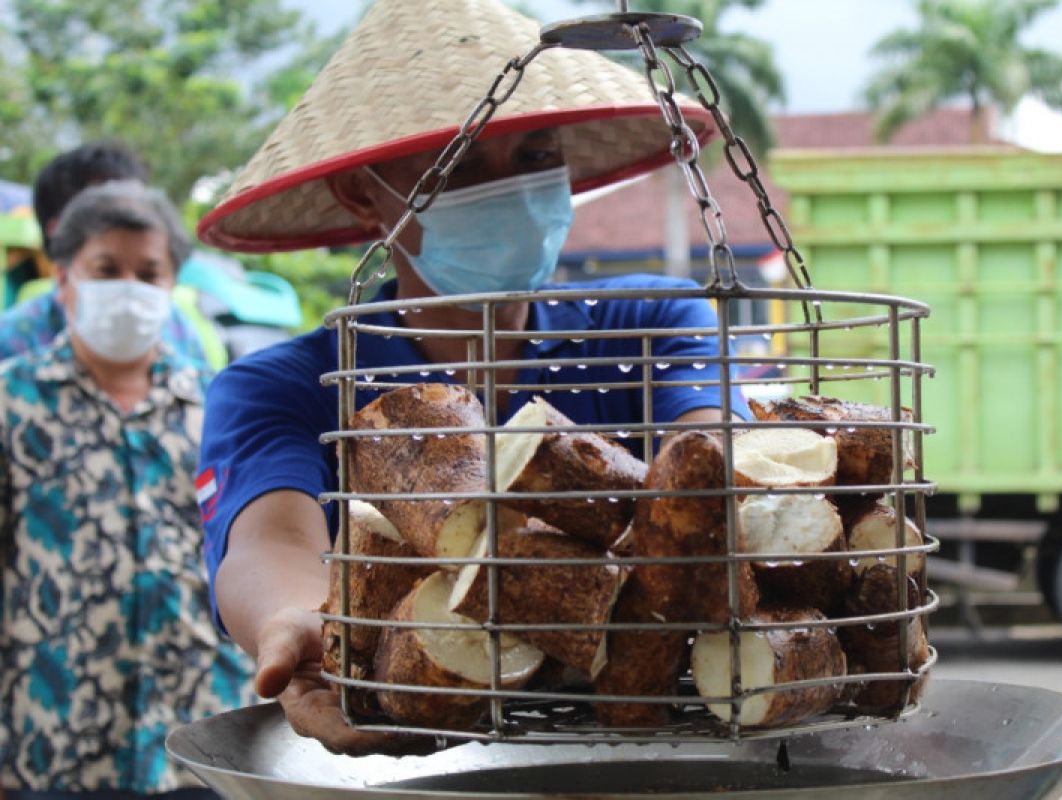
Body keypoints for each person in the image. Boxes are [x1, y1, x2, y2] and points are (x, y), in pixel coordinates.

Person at [195, 0, 745, 755]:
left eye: (532, 157)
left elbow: (712, 451)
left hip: (652, 744)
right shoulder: (290, 384)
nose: (509, 190)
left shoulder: (652, 326)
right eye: (458, 167)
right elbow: (270, 539)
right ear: (364, 194)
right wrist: (295, 620)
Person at [0, 181, 256, 798]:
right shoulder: (12, 402)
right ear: (64, 278)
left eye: (149, 273)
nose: (130, 289)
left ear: (172, 286)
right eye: (106, 269)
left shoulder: (218, 405)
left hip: (203, 736)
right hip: (54, 736)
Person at [0, 141, 211, 371]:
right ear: (59, 230)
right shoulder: (13, 345)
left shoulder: (180, 332)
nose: (129, 220)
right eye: (107, 270)